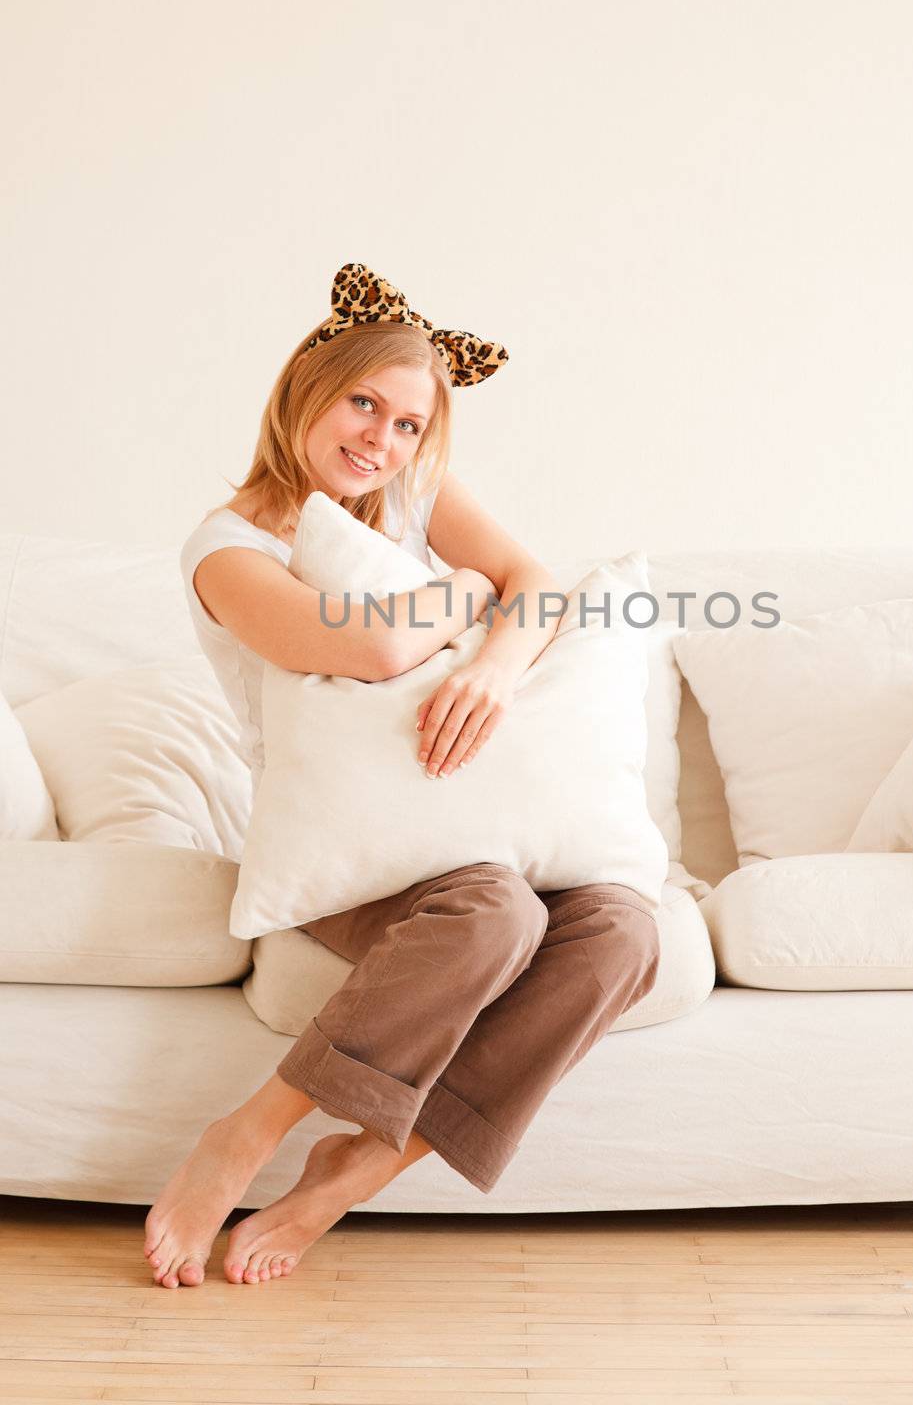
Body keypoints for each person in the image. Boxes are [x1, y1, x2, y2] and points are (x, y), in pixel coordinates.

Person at [144, 263, 661, 1290]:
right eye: (363, 403)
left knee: (625, 929)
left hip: (489, 820)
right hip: (360, 855)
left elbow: (542, 587)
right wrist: (471, 589)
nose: (380, 440)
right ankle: (245, 1136)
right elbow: (374, 648)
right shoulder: (227, 548)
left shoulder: (410, 497)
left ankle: (362, 1162)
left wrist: (498, 664)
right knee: (493, 912)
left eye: (408, 424)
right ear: (306, 388)